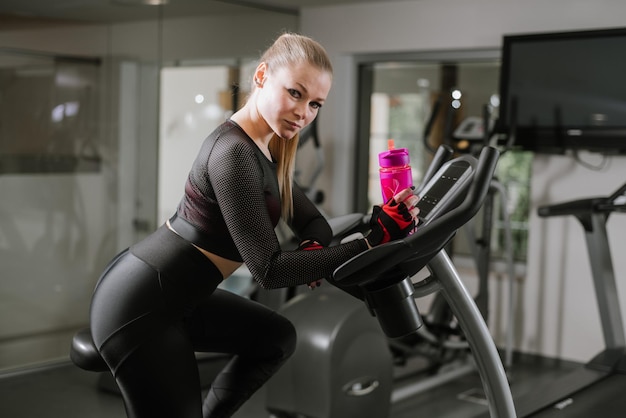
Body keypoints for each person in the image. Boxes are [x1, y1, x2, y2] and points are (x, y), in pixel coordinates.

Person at [87, 32, 419, 418]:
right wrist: (373, 239)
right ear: (262, 75)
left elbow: (312, 220)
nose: (304, 112)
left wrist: (313, 249)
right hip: (141, 304)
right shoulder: (233, 153)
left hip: (179, 295)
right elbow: (270, 270)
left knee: (274, 338)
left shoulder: (267, 148)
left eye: (315, 104)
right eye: (295, 93)